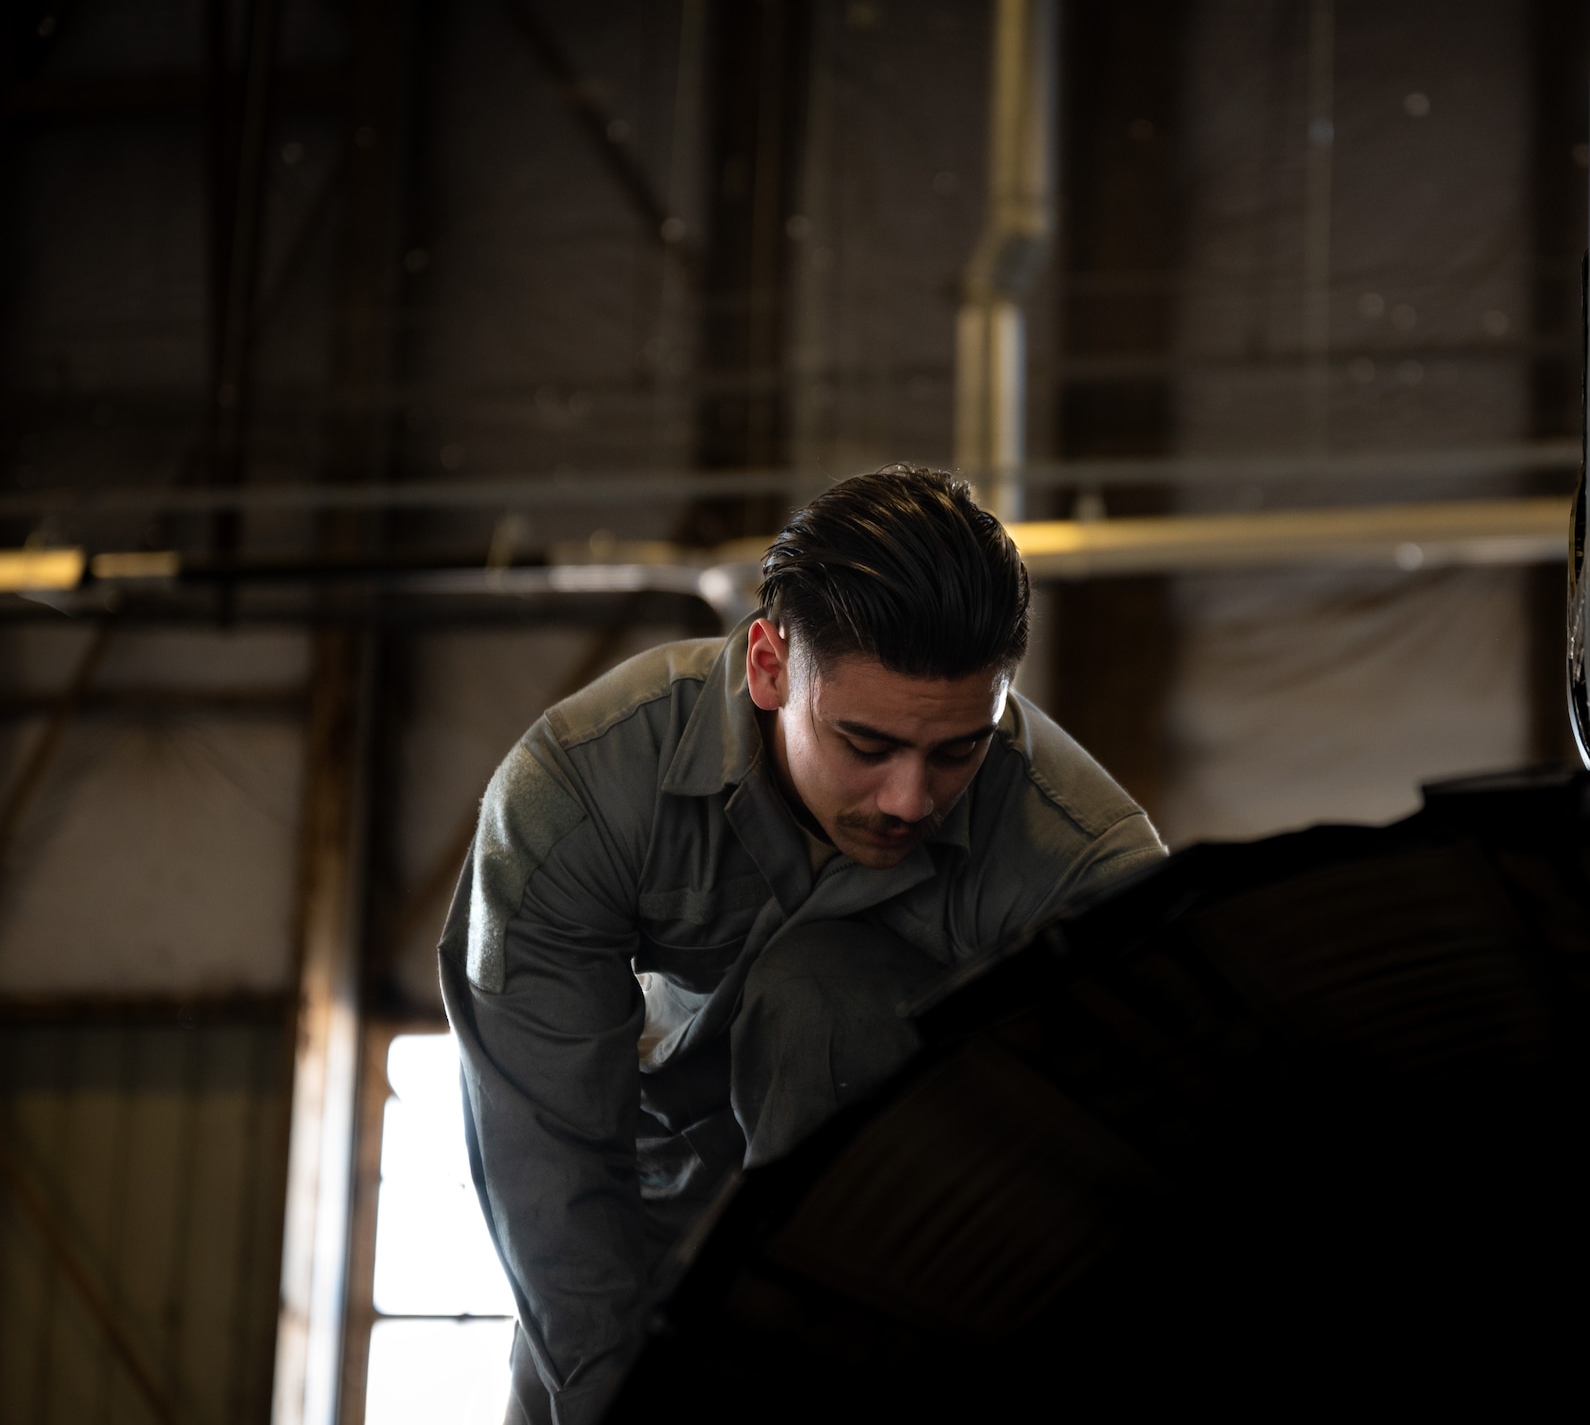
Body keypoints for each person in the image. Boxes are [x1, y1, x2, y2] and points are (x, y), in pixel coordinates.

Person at [438, 466, 1168, 1425]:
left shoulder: (1081, 860)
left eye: (958, 750)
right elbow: (548, 1147)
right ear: (770, 665)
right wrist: (608, 1394)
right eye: (866, 745)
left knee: (829, 989)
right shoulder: (579, 794)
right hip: (639, 1210)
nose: (911, 800)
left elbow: (1150, 1158)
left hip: (916, 1237)